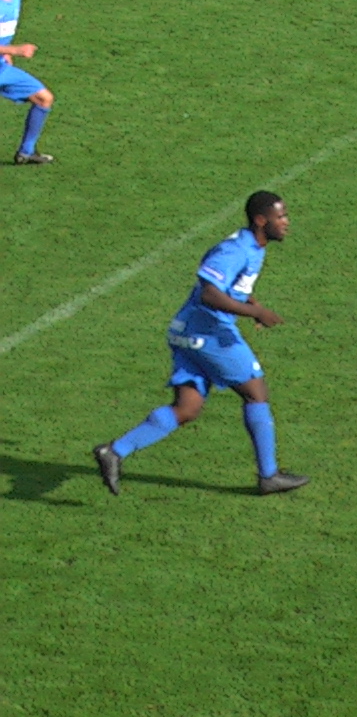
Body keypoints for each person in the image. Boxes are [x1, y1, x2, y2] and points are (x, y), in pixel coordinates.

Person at [94, 192, 310, 496]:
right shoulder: (236, 250)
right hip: (208, 333)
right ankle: (269, 475)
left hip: (185, 331)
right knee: (256, 392)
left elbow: (231, 282)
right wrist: (255, 312)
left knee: (187, 408)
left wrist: (251, 302)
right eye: (281, 216)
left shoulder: (249, 245)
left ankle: (114, 451)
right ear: (262, 220)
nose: (286, 222)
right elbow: (209, 293)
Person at [0, 0, 56, 164]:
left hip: (2, 67)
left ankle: (26, 152)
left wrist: (7, 54)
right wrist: (14, 50)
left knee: (44, 98)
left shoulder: (15, 0)